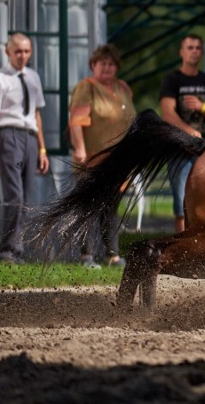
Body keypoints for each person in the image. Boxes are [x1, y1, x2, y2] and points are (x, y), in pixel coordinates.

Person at [0, 33, 50, 264]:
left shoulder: (33, 77)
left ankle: (16, 251)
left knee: (26, 196)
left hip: (30, 137)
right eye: (18, 51)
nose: (23, 56)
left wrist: (42, 149)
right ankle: (6, 251)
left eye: (27, 51)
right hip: (8, 136)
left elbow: (36, 114)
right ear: (8, 52)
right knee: (15, 195)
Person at [68, 44, 136, 268]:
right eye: (102, 63)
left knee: (112, 208)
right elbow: (76, 122)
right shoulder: (86, 87)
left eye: (111, 64)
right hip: (92, 158)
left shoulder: (123, 87)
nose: (107, 68)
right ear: (93, 65)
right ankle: (87, 256)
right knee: (89, 208)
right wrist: (79, 149)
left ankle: (113, 255)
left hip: (118, 161)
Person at [159, 33, 205, 233]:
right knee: (181, 198)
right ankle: (181, 242)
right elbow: (167, 113)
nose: (194, 52)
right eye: (190, 48)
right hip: (179, 147)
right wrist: (188, 130)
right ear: (181, 52)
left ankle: (203, 241)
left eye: (197, 48)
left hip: (204, 148)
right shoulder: (172, 80)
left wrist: (202, 107)